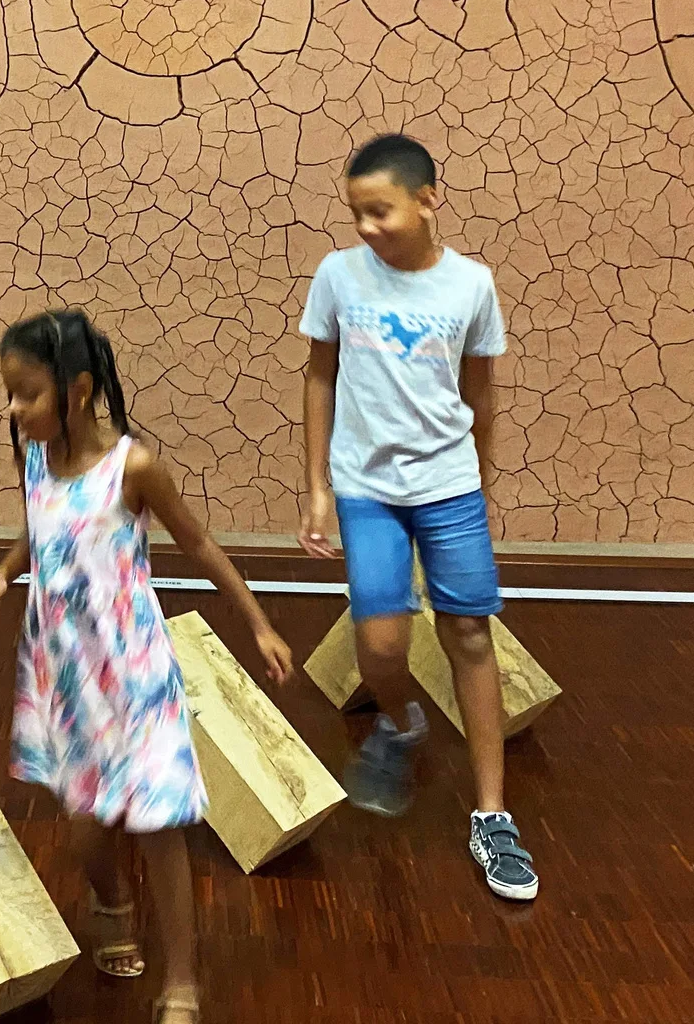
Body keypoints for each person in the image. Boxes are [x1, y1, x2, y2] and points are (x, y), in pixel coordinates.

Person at [0, 308, 294, 1023]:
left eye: (26, 394)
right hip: (66, 671)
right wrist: (0, 574)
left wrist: (260, 623)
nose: (14, 410)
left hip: (134, 669)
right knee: (85, 825)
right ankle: (109, 899)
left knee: (157, 825)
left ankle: (182, 982)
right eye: (9, 394)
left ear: (77, 390)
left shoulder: (133, 467)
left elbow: (200, 545)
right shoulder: (35, 460)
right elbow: (35, 532)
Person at [297, 132, 539, 902]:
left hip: (448, 487)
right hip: (365, 487)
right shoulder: (338, 275)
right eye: (354, 212)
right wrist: (316, 489)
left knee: (468, 634)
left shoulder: (471, 286)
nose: (365, 227)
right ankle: (399, 724)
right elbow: (317, 376)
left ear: (427, 198)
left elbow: (481, 395)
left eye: (379, 211)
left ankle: (492, 813)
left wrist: (481, 487)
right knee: (379, 646)